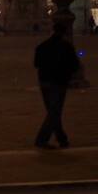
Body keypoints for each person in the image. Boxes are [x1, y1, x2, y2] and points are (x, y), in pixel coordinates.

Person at [34, 21, 80, 149]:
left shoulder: (43, 46)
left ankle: (62, 139)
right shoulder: (67, 47)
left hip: (44, 82)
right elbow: (75, 65)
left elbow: (36, 63)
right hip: (59, 82)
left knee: (53, 112)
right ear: (64, 32)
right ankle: (41, 139)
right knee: (54, 112)